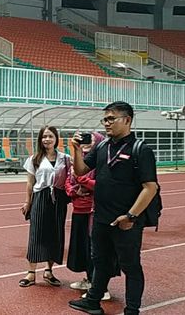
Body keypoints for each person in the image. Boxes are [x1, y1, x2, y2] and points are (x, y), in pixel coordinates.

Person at [69, 102, 158, 315]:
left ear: (127, 120)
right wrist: (76, 149)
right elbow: (81, 170)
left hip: (126, 221)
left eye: (111, 119)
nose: (107, 123)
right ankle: (93, 301)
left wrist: (130, 216)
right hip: (101, 217)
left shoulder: (140, 149)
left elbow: (150, 187)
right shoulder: (102, 147)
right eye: (105, 119)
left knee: (130, 266)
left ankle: (132, 310)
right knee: (100, 262)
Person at [18, 126, 70, 288]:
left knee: (56, 234)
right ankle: (31, 273)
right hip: (40, 197)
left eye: (50, 136)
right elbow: (30, 183)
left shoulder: (66, 158)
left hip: (59, 199)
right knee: (37, 233)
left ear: (56, 139)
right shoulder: (35, 159)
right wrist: (28, 201)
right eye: (44, 137)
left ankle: (49, 270)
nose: (47, 139)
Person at [65, 132, 114, 301]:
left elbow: (100, 184)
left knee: (96, 251)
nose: (87, 142)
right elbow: (69, 180)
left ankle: (101, 287)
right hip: (78, 210)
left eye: (92, 140)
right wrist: (74, 190)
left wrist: (83, 181)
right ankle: (89, 280)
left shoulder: (101, 161)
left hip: (93, 211)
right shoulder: (78, 161)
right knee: (84, 249)